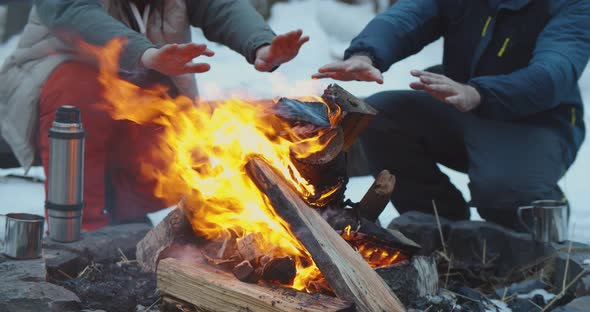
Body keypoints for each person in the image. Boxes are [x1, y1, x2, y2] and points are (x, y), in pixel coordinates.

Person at [0, 0, 309, 230]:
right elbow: (74, 12)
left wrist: (260, 43)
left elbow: (220, 5)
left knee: (173, 128)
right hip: (51, 87)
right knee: (80, 94)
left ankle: (122, 217)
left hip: (141, 77)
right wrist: (145, 55)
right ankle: (82, 229)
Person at [313, 0, 590, 230]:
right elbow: (409, 16)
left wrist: (479, 93)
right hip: (458, 102)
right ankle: (438, 225)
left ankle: (541, 245)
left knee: (503, 192)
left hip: (537, 121)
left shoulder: (573, 6)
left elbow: (554, 74)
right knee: (379, 118)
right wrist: (366, 54)